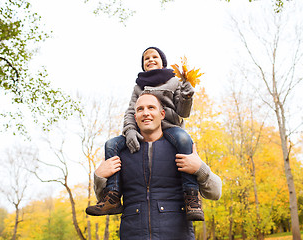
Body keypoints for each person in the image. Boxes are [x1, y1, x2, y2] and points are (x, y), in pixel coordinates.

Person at [86, 47, 203, 221]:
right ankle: (113, 194)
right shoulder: (139, 86)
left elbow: (183, 112)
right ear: (143, 65)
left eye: (154, 56)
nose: (150, 60)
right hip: (142, 129)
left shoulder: (174, 81)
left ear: (163, 61)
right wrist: (130, 130)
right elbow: (131, 112)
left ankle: (191, 196)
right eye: (146, 58)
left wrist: (187, 97)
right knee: (111, 145)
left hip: (170, 127)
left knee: (184, 139)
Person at [88, 94, 222, 239]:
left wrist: (200, 168)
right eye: (140, 109)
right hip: (132, 234)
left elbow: (215, 193)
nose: (146, 113)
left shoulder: (181, 147)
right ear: (135, 117)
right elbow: (105, 200)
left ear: (162, 114)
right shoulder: (121, 152)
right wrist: (99, 176)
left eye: (151, 108)